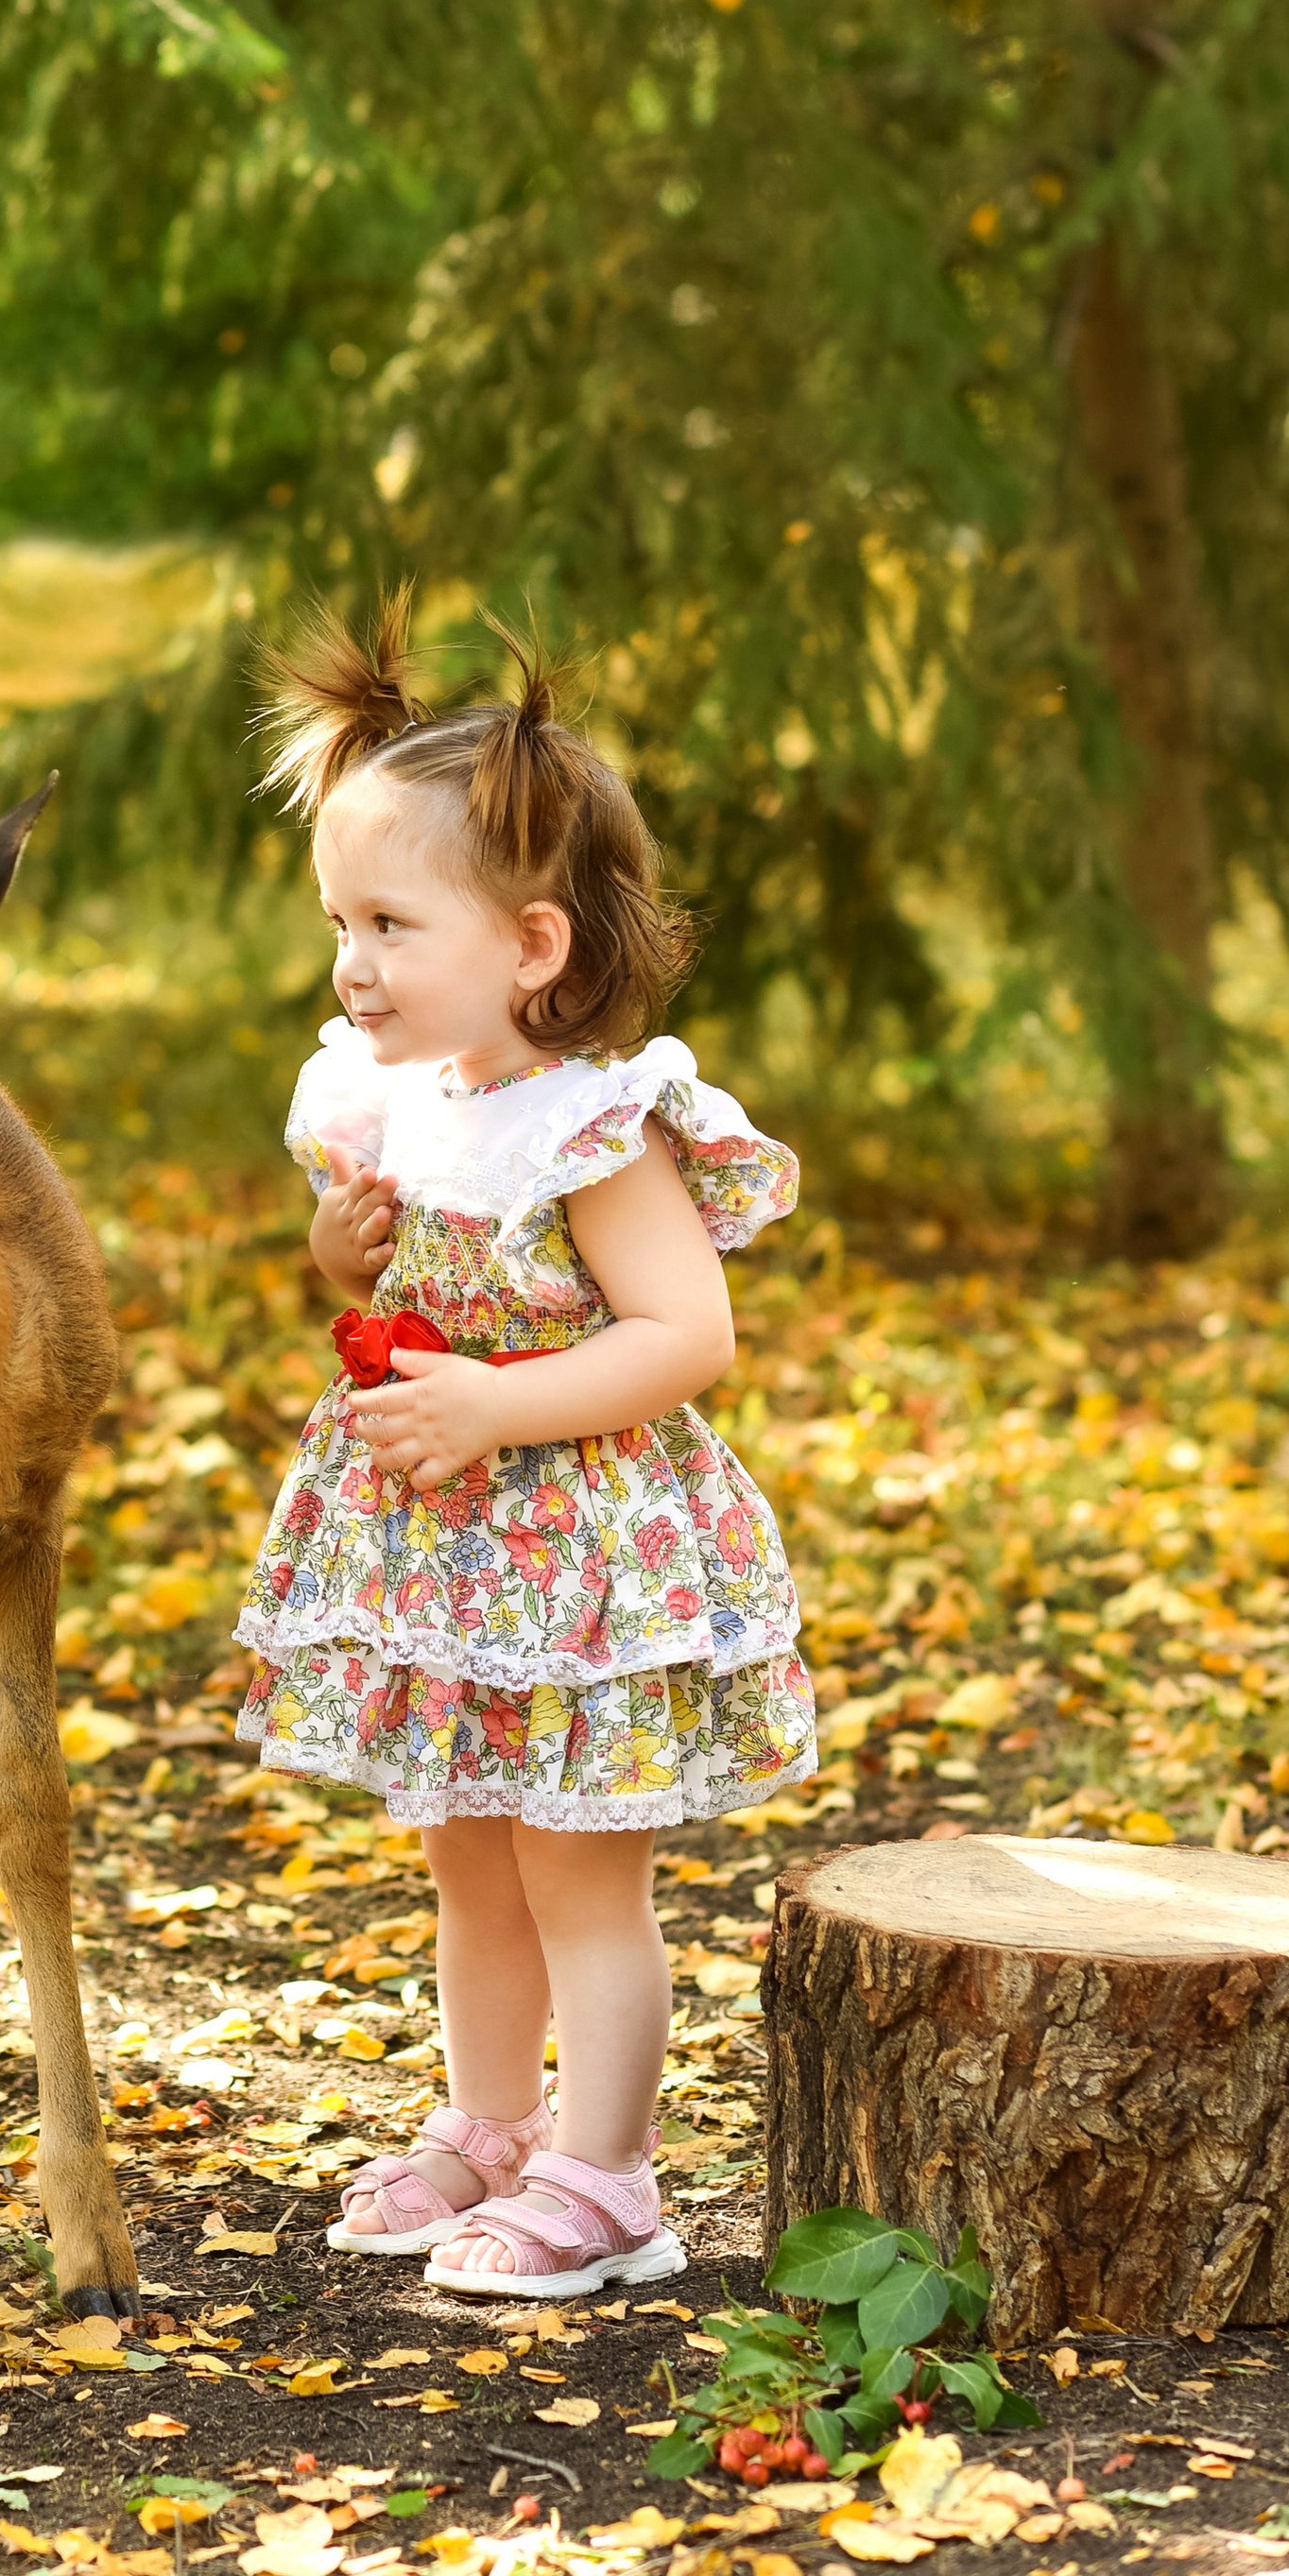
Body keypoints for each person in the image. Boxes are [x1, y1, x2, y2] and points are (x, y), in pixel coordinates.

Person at [233, 596, 815, 2296]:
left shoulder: (593, 1125)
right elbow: (398, 1278)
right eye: (340, 922)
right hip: (448, 1567)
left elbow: (685, 1334)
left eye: (390, 924)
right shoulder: (393, 1098)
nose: (351, 965)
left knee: (577, 1877)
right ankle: (491, 2126)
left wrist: (495, 1402)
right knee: (470, 1863)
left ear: (533, 945)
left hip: (580, 1567)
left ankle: (609, 2176)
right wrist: (344, 1254)